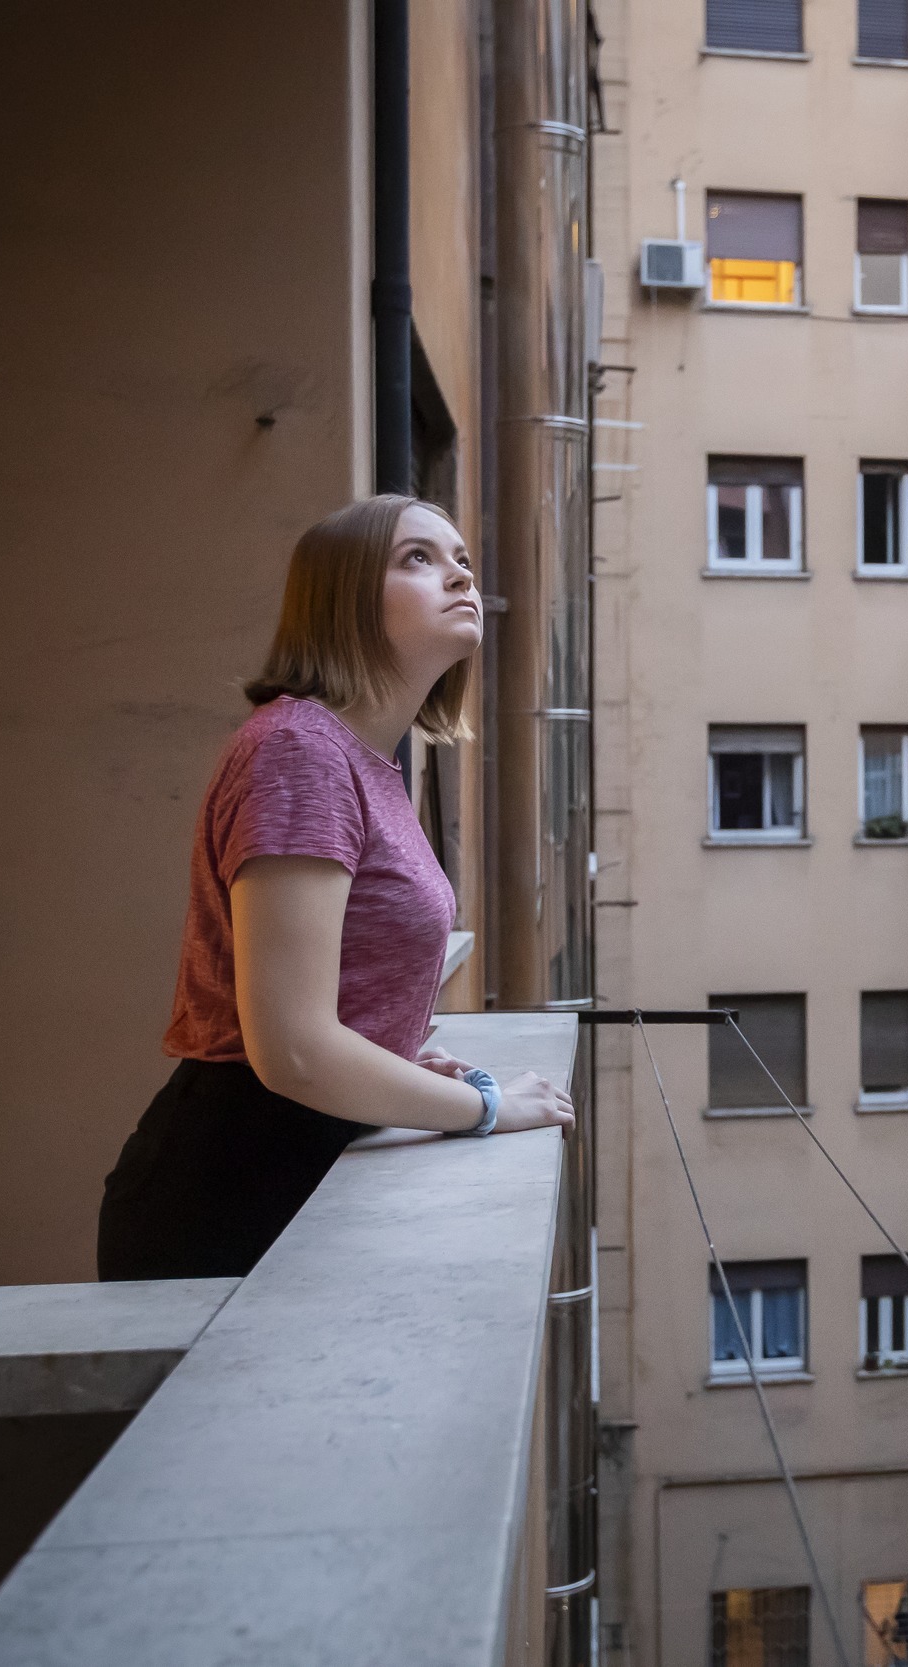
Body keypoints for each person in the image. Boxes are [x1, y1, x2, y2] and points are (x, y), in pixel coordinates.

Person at [98, 496, 573, 1281]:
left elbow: (330, 998)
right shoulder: (299, 752)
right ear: (343, 601)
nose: (458, 573)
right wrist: (488, 1107)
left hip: (298, 1167)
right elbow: (291, 1048)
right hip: (231, 1196)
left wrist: (398, 1061)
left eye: (460, 558)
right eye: (417, 558)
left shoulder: (364, 761)